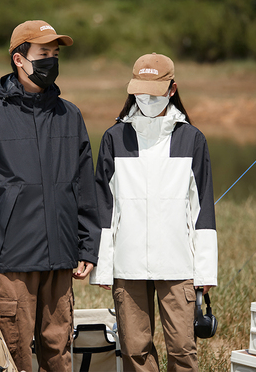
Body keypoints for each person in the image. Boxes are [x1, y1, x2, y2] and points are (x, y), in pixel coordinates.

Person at [0, 20, 101, 372]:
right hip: (12, 261)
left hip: (61, 257)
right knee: (14, 354)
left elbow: (84, 186)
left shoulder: (70, 116)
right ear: (19, 59)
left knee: (58, 351)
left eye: (55, 55)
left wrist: (88, 246)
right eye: (43, 54)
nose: (51, 61)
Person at [90, 53, 218, 371]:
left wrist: (204, 273)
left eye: (154, 91)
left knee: (182, 350)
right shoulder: (114, 138)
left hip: (178, 265)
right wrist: (103, 267)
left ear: (172, 90)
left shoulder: (192, 140)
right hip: (127, 264)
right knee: (134, 350)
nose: (146, 99)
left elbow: (203, 211)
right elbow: (103, 207)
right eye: (140, 91)